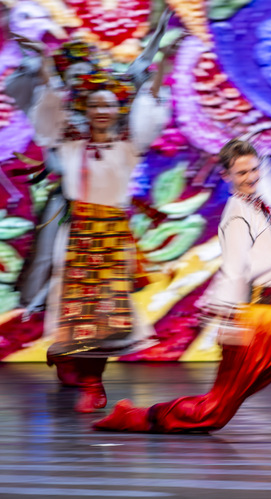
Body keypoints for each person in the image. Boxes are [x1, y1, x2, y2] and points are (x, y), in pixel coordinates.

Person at [93, 139, 271, 435]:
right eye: (241, 174)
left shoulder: (261, 203)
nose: (250, 177)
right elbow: (233, 271)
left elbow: (269, 180)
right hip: (258, 325)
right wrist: (230, 324)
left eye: (253, 170)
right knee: (213, 412)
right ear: (226, 177)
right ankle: (134, 417)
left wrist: (262, 150)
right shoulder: (237, 216)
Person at [28, 58, 170, 412]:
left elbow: (149, 107)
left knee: (104, 315)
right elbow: (48, 121)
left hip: (111, 237)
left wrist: (165, 62)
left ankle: (94, 383)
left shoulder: (128, 145)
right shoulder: (71, 144)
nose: (102, 110)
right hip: (77, 235)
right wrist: (47, 69)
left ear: (117, 107)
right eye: (94, 104)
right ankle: (68, 357)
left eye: (108, 103)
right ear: (85, 109)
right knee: (73, 311)